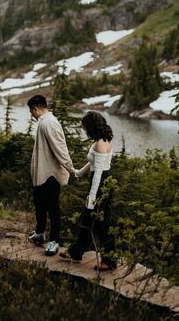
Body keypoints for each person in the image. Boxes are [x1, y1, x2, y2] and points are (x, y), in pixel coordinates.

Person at [60, 111, 117, 271]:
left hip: (99, 184)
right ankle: (77, 253)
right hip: (106, 181)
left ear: (90, 127)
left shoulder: (99, 143)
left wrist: (92, 199)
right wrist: (78, 173)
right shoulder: (106, 139)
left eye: (85, 127)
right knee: (94, 221)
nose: (84, 130)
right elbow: (96, 163)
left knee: (100, 223)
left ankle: (108, 261)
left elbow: (98, 173)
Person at [27, 94, 76, 256]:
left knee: (53, 208)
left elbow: (60, 148)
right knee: (39, 203)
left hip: (51, 175)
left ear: (35, 109)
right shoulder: (44, 122)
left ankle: (54, 241)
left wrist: (70, 169)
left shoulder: (49, 123)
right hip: (42, 174)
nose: (31, 115)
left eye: (31, 111)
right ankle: (40, 233)